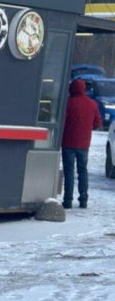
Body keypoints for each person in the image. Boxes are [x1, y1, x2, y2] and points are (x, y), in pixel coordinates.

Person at [62, 79, 102, 209]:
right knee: (83, 171)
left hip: (68, 142)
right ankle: (83, 200)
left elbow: (62, 121)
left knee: (69, 172)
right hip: (84, 143)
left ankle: (68, 200)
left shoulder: (68, 103)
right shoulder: (92, 104)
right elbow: (97, 124)